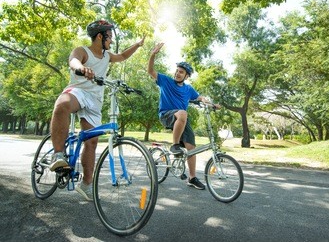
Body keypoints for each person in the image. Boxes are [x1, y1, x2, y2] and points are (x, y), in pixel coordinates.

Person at [49, 20, 145, 201]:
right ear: (100, 36)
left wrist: (138, 45)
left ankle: (86, 184)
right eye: (109, 36)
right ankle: (58, 154)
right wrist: (82, 69)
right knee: (62, 105)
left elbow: (123, 56)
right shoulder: (82, 51)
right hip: (79, 91)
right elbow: (74, 61)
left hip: (95, 101)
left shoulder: (107, 56)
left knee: (92, 142)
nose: (111, 40)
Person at [147, 42, 218, 190]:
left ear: (186, 76)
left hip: (181, 120)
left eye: (181, 72)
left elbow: (199, 98)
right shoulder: (165, 81)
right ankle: (175, 145)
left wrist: (210, 103)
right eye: (177, 70)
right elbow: (150, 70)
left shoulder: (188, 89)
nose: (177, 73)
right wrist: (153, 54)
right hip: (166, 115)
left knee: (191, 147)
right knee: (183, 113)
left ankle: (192, 178)